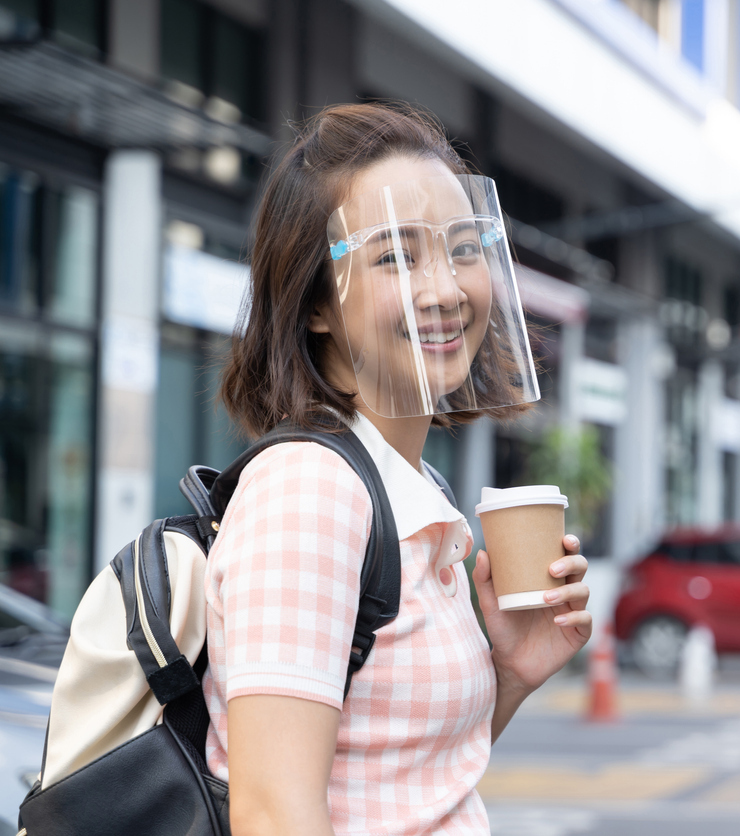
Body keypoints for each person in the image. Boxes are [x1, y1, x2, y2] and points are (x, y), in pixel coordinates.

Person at [207, 102, 592, 836]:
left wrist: (510, 673)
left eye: (462, 248)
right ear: (317, 301)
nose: (445, 290)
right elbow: (272, 816)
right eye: (396, 255)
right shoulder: (308, 493)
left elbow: (400, 790)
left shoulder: (409, 491)